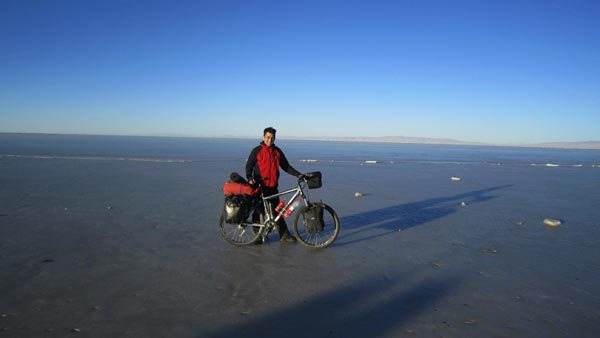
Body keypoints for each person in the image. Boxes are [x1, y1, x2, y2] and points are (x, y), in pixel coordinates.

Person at [246, 127, 302, 242]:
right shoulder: (256, 150)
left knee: (277, 211)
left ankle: (284, 235)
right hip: (259, 187)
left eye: (272, 138)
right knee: (258, 213)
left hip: (272, 186)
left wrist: (299, 175)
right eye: (267, 137)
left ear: (275, 138)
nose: (270, 140)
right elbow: (249, 166)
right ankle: (257, 237)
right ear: (263, 137)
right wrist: (250, 177)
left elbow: (286, 166)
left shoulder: (277, 151)